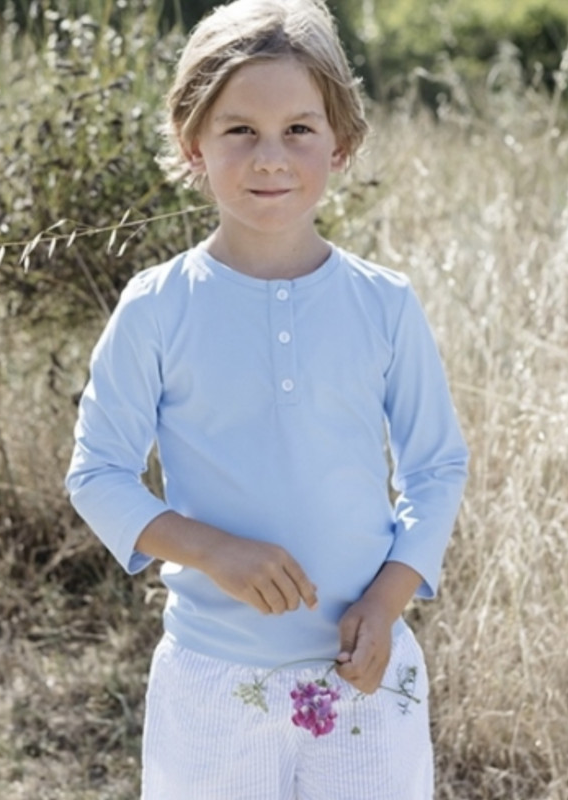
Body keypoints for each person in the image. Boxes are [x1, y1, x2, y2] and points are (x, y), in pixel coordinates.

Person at [65, 0, 468, 797]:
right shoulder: (156, 306)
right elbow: (98, 472)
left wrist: (388, 602)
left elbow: (437, 467)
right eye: (239, 130)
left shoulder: (384, 303)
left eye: (300, 130)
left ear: (341, 143)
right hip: (214, 683)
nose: (270, 157)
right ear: (193, 145)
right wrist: (213, 549)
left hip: (364, 676)